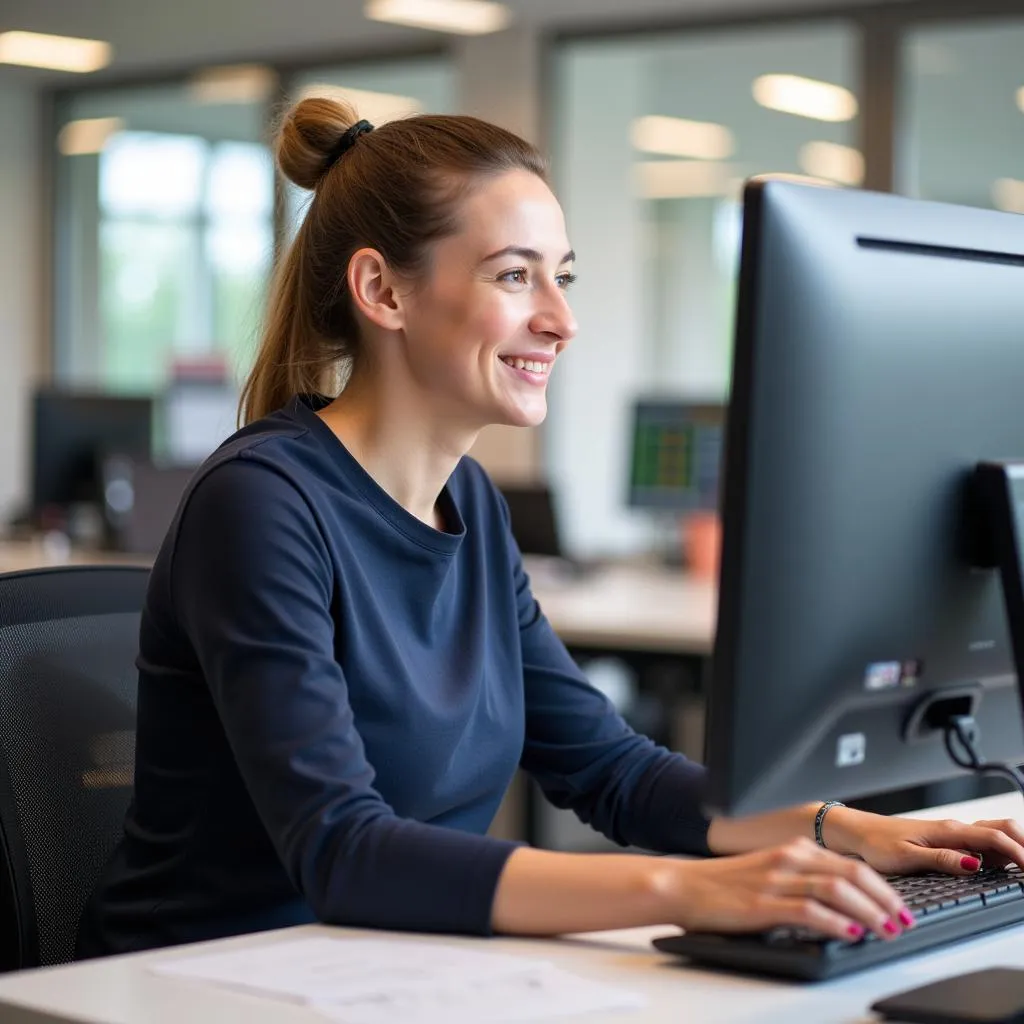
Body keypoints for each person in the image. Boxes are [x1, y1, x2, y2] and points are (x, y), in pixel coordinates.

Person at [77, 98, 1024, 959]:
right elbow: (342, 850)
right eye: (515, 275)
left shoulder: (470, 503)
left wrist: (840, 827)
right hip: (205, 980)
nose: (562, 319)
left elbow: (610, 769)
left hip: (389, 966)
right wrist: (698, 890)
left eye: (561, 277)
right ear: (384, 292)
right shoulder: (264, 504)